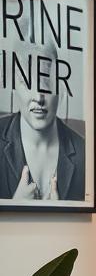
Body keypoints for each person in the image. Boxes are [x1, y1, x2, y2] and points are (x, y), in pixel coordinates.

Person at [0, 39, 86, 202]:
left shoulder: (84, 153)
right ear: (13, 88)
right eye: (27, 83)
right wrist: (13, 207)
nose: (39, 97)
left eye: (46, 83)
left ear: (60, 89)